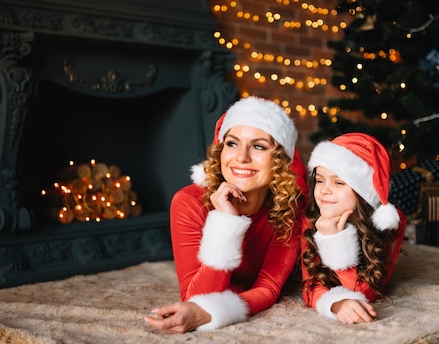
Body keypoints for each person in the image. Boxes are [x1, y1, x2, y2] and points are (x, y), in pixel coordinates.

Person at [145, 96, 308, 333]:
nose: (241, 157)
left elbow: (269, 288)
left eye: (259, 146)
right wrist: (226, 222)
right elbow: (196, 297)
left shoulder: (289, 208)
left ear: (280, 161)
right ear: (220, 151)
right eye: (232, 144)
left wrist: (213, 313)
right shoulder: (188, 202)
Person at [300, 132, 407, 324]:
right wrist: (337, 304)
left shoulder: (390, 222)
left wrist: (338, 243)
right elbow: (310, 286)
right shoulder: (310, 220)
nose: (324, 190)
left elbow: (365, 292)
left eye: (339, 182)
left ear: (363, 191)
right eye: (320, 180)